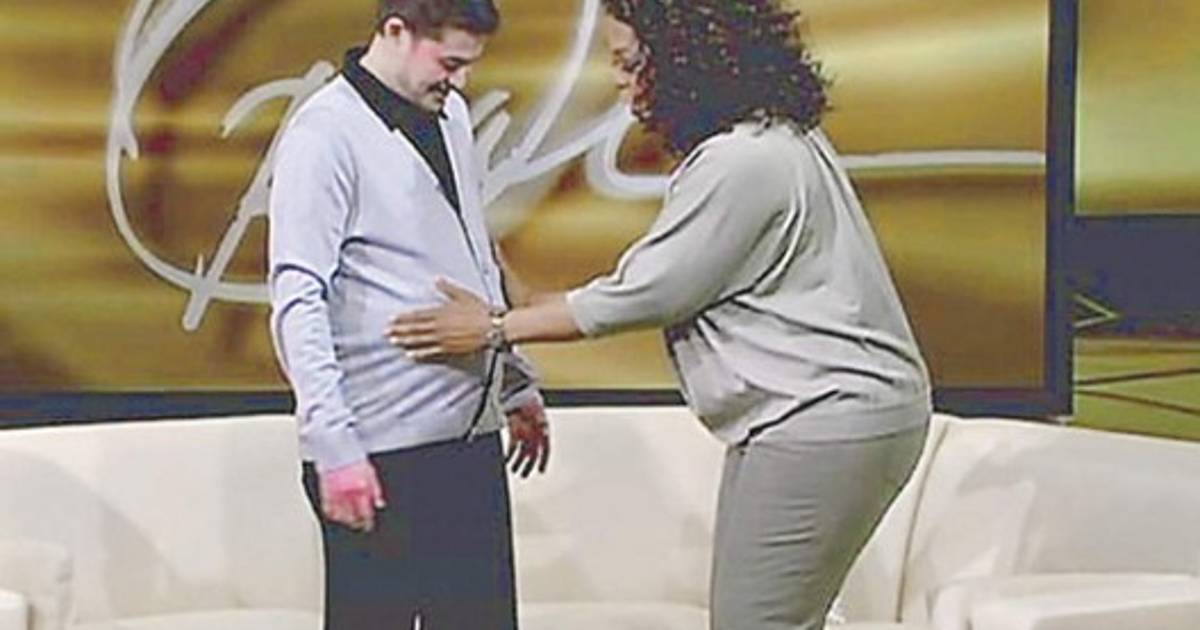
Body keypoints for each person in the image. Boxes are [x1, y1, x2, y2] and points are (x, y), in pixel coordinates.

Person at [388, 0, 932, 628]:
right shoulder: (771, 139)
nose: (618, 80)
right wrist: (497, 271)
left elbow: (646, 294)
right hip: (822, 416)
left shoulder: (743, 160)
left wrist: (492, 330)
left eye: (629, 63)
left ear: (683, 62)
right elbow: (634, 287)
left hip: (827, 418)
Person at [267, 1, 550, 628]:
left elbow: (470, 252)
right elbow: (297, 296)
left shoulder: (451, 115)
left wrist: (513, 381)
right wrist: (334, 446)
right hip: (379, 451)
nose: (461, 79)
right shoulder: (324, 134)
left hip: (468, 442)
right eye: (449, 62)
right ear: (395, 31)